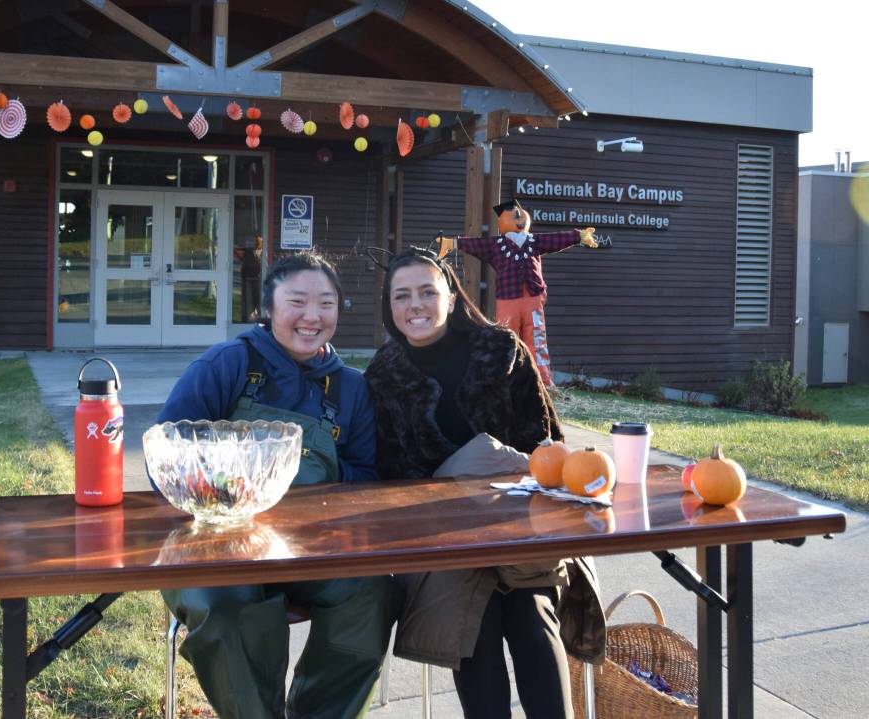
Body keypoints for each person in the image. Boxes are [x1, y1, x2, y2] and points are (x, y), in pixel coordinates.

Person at [364, 247, 605, 719]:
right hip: (442, 537)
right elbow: (389, 474)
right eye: (402, 295)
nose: (416, 305)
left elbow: (547, 446)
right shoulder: (383, 376)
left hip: (519, 525)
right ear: (389, 307)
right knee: (474, 629)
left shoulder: (501, 351)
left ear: (451, 297)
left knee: (533, 622)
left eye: (427, 292)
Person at [156, 250, 398, 719]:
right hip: (216, 545)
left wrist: (315, 477)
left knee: (370, 590)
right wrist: (225, 484)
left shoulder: (349, 387)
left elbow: (365, 476)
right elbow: (165, 449)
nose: (313, 316)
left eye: (326, 303)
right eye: (297, 302)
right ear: (267, 309)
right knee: (226, 605)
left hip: (311, 547)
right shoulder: (227, 364)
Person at [437, 199, 603, 385]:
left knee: (536, 340)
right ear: (503, 221)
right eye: (516, 215)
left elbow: (555, 239)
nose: (521, 217)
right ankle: (506, 380)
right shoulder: (495, 245)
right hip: (508, 300)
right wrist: (451, 243)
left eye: (522, 213)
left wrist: (578, 236)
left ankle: (542, 382)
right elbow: (475, 244)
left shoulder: (534, 241)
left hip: (533, 298)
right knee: (508, 339)